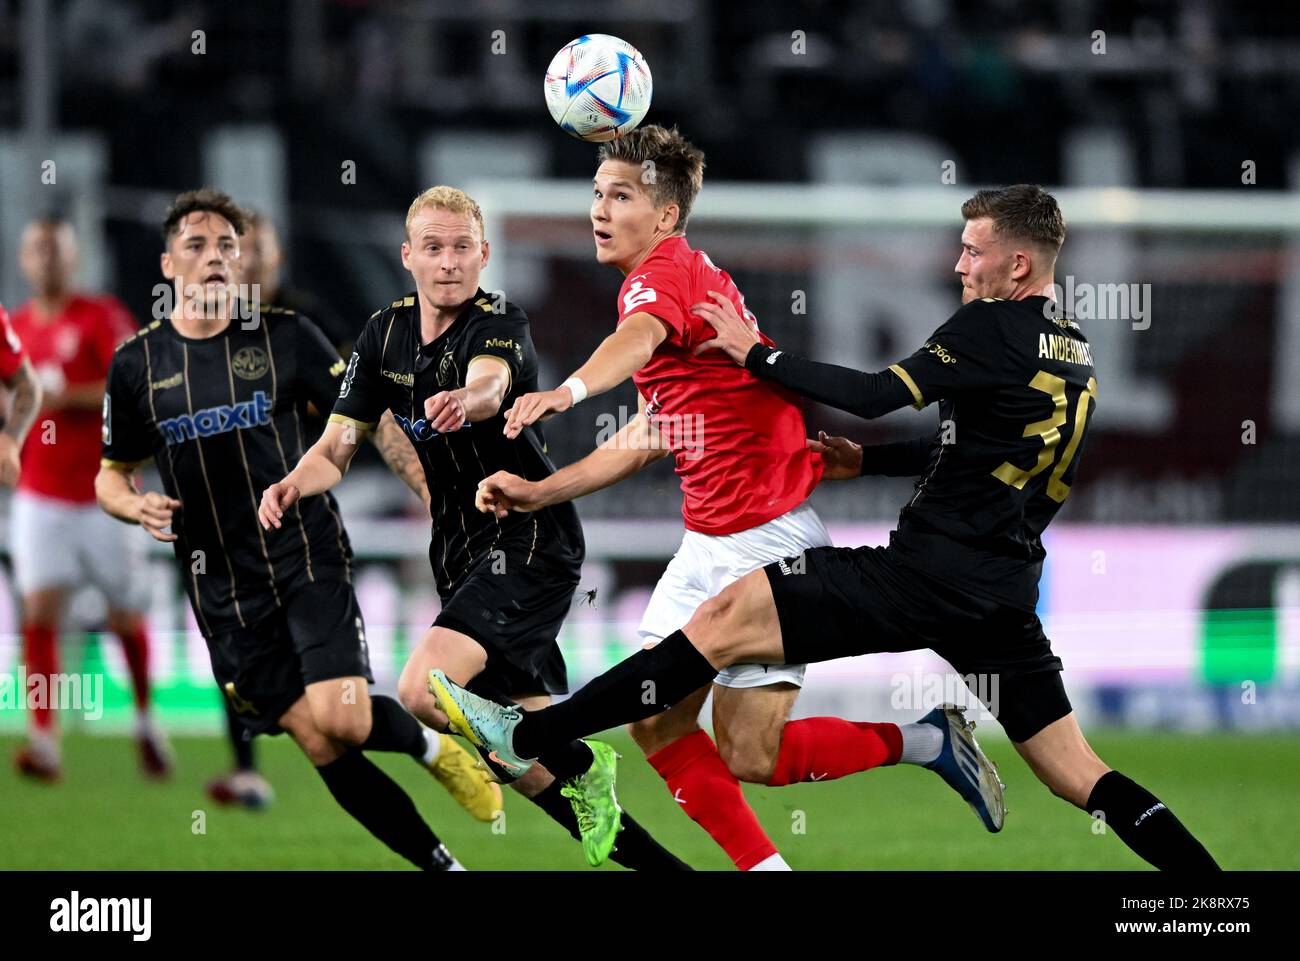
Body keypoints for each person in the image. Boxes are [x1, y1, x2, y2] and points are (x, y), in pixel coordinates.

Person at [431, 184, 1220, 871]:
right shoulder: (1074, 349)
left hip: (921, 578)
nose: (959, 265)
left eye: (973, 250)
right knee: (1079, 772)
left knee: (725, 619)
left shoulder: (989, 327)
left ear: (1017, 265)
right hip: (1005, 595)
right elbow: (975, 446)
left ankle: (531, 737)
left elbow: (877, 392)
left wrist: (759, 355)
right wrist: (867, 466)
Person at [467, 126, 1005, 871]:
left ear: (663, 216)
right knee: (662, 726)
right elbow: (656, 430)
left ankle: (924, 740)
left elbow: (635, 338)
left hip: (771, 540)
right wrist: (541, 491)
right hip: (709, 543)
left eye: (620, 195)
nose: (599, 209)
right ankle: (800, 842)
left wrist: (567, 390)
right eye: (596, 193)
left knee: (753, 752)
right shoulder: (683, 279)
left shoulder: (662, 280)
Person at [262, 185, 690, 870]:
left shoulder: (499, 322)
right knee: (511, 752)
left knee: (420, 686)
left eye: (462, 247)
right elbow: (340, 444)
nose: (448, 261)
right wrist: (291, 482)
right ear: (408, 256)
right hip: (460, 551)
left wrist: (470, 397)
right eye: (433, 247)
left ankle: (582, 755)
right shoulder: (383, 334)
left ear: (484, 254)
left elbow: (492, 381)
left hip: (527, 536)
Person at [96, 188, 500, 870]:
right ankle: (443, 865)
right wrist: (134, 504)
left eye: (227, 245)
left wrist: (434, 493)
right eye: (196, 246)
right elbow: (110, 472)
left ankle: (436, 748)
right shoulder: (137, 364)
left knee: (341, 714)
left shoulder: (287, 336)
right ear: (168, 265)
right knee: (320, 742)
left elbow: (370, 418)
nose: (217, 258)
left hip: (304, 552)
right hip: (222, 589)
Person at [9, 217, 170, 781]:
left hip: (108, 492)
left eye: (57, 250)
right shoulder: (16, 329)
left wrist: (62, 394)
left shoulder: (100, 316)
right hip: (41, 495)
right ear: (25, 259)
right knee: (39, 615)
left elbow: (133, 385)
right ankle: (44, 741)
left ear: (73, 258)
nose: (47, 260)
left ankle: (147, 721)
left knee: (125, 615)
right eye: (38, 250)